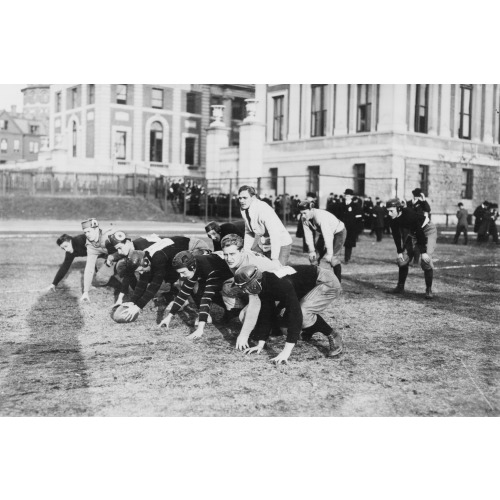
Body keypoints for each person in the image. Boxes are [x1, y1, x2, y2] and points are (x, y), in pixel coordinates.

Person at [233, 264, 343, 363]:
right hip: (306, 286)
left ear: (254, 283)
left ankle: (333, 334)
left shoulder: (279, 284)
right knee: (284, 327)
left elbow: (295, 314)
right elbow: (266, 314)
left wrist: (286, 352)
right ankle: (311, 329)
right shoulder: (264, 283)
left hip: (325, 281)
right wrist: (260, 344)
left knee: (303, 314)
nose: (243, 291)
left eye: (244, 287)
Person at [119, 236, 210, 321]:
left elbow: (155, 284)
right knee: (172, 277)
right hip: (177, 252)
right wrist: (133, 302)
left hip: (195, 247)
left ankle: (204, 313)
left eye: (141, 270)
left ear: (145, 262)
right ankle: (181, 300)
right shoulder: (145, 257)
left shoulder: (157, 258)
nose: (141, 273)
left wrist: (138, 306)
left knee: (191, 279)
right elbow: (142, 282)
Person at [159, 250, 233, 338]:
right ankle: (225, 313)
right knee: (197, 290)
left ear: (192, 267)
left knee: (209, 293)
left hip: (228, 276)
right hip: (215, 273)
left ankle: (234, 311)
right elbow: (183, 293)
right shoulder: (193, 264)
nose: (182, 276)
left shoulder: (208, 269)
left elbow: (206, 299)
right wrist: (169, 317)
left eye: (183, 272)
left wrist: (200, 329)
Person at [385, 198, 437, 299]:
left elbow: (420, 234)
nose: (389, 213)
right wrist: (399, 251)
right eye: (388, 211)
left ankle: (428, 289)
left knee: (426, 260)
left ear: (399, 209)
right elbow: (396, 235)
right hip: (414, 233)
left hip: (427, 230)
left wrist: (423, 252)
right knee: (402, 260)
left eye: (391, 211)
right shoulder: (392, 218)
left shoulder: (409, 215)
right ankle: (400, 287)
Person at [220, 233, 282, 316]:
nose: (228, 258)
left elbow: (260, 291)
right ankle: (236, 312)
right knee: (230, 284)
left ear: (241, 251)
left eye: (232, 254)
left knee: (229, 287)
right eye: (225, 254)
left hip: (275, 287)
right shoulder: (239, 257)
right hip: (262, 284)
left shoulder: (249, 265)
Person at [238, 185, 293, 265]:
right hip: (266, 242)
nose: (241, 201)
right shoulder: (244, 209)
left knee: (277, 272)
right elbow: (249, 231)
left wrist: (274, 258)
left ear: (253, 197)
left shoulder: (263, 208)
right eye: (240, 198)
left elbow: (275, 234)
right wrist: (247, 251)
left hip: (281, 242)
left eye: (245, 198)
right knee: (256, 268)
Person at [298, 200, 346, 282]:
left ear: (311, 209)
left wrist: (329, 253)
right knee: (314, 258)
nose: (303, 215)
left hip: (338, 232)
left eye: (305, 213)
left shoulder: (320, 217)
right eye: (301, 213)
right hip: (325, 233)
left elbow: (328, 236)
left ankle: (338, 284)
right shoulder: (304, 218)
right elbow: (308, 235)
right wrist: (311, 251)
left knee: (333, 259)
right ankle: (314, 281)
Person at [80, 218, 120, 303]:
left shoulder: (109, 236)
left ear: (96, 229)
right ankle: (119, 284)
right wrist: (85, 292)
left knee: (122, 266)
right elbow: (89, 268)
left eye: (89, 231)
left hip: (123, 255)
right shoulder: (90, 244)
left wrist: (113, 257)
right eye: (85, 232)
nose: (87, 235)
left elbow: (125, 250)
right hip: (111, 257)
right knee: (100, 274)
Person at [339, 189, 363, 263]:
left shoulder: (356, 206)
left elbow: (359, 218)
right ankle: (333, 257)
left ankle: (347, 258)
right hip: (341, 227)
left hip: (351, 228)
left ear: (351, 196)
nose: (347, 197)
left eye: (348, 196)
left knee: (348, 244)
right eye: (346, 195)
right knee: (338, 242)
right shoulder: (341, 205)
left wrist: (357, 229)